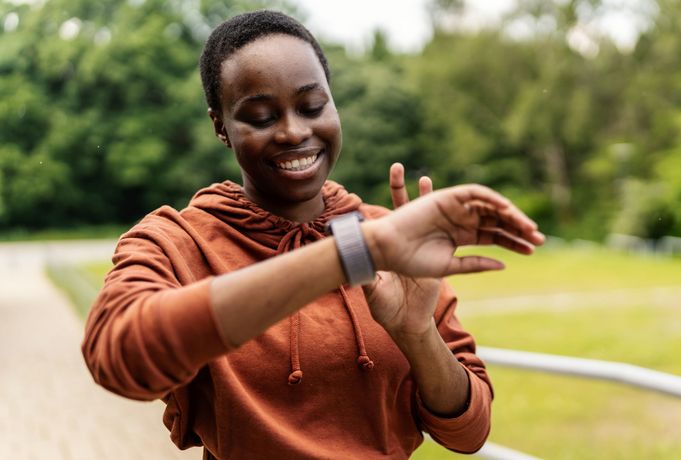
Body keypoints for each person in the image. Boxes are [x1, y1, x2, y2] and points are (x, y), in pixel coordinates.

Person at [81, 10, 545, 460]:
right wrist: (349, 254)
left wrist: (417, 333)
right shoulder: (176, 242)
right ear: (221, 127)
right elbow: (118, 355)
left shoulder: (392, 238)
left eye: (312, 106)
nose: (293, 131)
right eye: (261, 117)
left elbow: (469, 432)